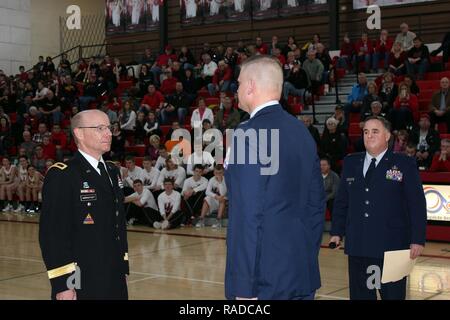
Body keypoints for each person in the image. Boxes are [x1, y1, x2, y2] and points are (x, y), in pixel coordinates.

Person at [225, 55, 325, 300]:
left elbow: (247, 215)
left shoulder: (246, 134)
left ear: (250, 86)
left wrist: (244, 287)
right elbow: (316, 205)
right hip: (300, 273)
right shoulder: (302, 132)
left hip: (263, 281)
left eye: (238, 84)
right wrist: (305, 258)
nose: (236, 90)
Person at [330, 116, 427, 300]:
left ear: (388, 135)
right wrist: (337, 231)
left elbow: (416, 204)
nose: (369, 136)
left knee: (392, 296)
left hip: (392, 246)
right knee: (361, 296)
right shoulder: (351, 163)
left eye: (375, 131)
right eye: (366, 132)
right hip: (359, 245)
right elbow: (342, 201)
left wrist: (417, 239)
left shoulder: (404, 163)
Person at [39, 109, 129, 300]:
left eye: (109, 127)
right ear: (79, 133)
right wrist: (64, 284)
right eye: (100, 128)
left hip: (114, 275)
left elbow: (118, 226)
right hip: (81, 279)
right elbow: (53, 235)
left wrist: (123, 268)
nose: (109, 133)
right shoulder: (63, 175)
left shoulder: (112, 171)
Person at [196, 164, 227, 228]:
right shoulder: (211, 179)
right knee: (207, 198)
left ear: (223, 172)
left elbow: (222, 193)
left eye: (220, 173)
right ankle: (201, 219)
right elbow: (207, 192)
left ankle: (218, 221)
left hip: (224, 201)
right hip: (216, 199)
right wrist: (215, 196)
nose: (218, 174)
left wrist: (220, 181)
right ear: (213, 172)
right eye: (216, 173)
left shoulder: (226, 179)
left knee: (222, 199)